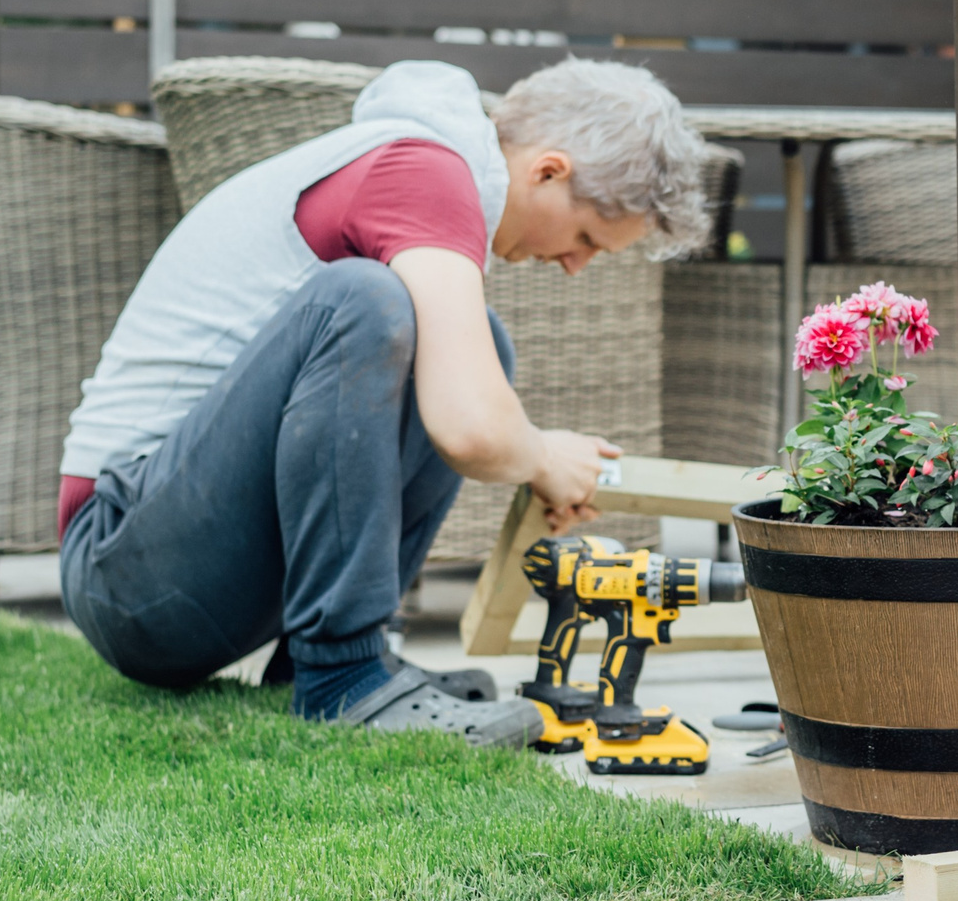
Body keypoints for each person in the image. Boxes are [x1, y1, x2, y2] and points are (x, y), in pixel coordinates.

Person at [59, 56, 717, 744]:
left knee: (472, 342)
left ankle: (338, 657)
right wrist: (544, 455)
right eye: (586, 238)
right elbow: (469, 427)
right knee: (365, 302)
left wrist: (530, 445)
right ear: (548, 170)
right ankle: (341, 676)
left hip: (170, 561)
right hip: (122, 568)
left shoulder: (429, 167)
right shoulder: (425, 173)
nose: (577, 265)